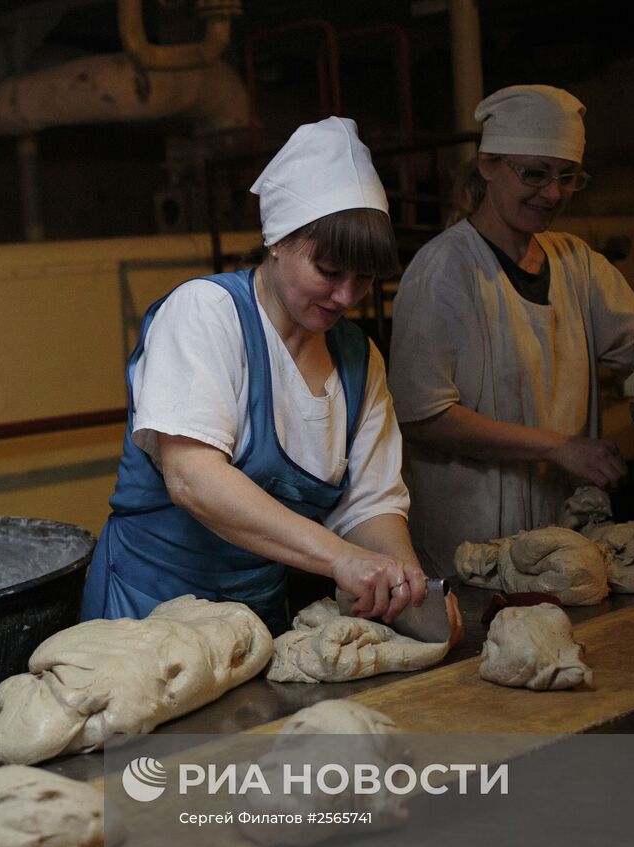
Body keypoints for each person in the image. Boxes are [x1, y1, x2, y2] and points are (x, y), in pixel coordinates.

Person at [388, 84, 634, 576]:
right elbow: (422, 416)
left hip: (563, 535)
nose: (552, 193)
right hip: (471, 547)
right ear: (488, 166)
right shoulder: (444, 269)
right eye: (535, 173)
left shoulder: (574, 260)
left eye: (567, 177)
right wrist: (558, 446)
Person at [80, 117, 439, 638]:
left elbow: (370, 502)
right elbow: (193, 477)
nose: (346, 297)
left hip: (253, 625)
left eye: (364, 277)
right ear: (277, 240)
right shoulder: (206, 313)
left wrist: (405, 584)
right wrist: (340, 559)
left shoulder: (360, 360)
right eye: (330, 271)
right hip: (145, 617)